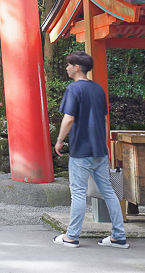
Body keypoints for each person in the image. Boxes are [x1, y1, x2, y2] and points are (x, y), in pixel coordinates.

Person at [54, 51, 128, 249]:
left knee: (77, 192)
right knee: (109, 192)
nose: (67, 68)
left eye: (69, 65)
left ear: (77, 67)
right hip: (99, 150)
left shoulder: (73, 89)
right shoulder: (98, 89)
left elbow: (69, 118)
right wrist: (104, 145)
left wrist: (60, 140)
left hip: (81, 150)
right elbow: (104, 121)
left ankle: (72, 236)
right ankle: (118, 236)